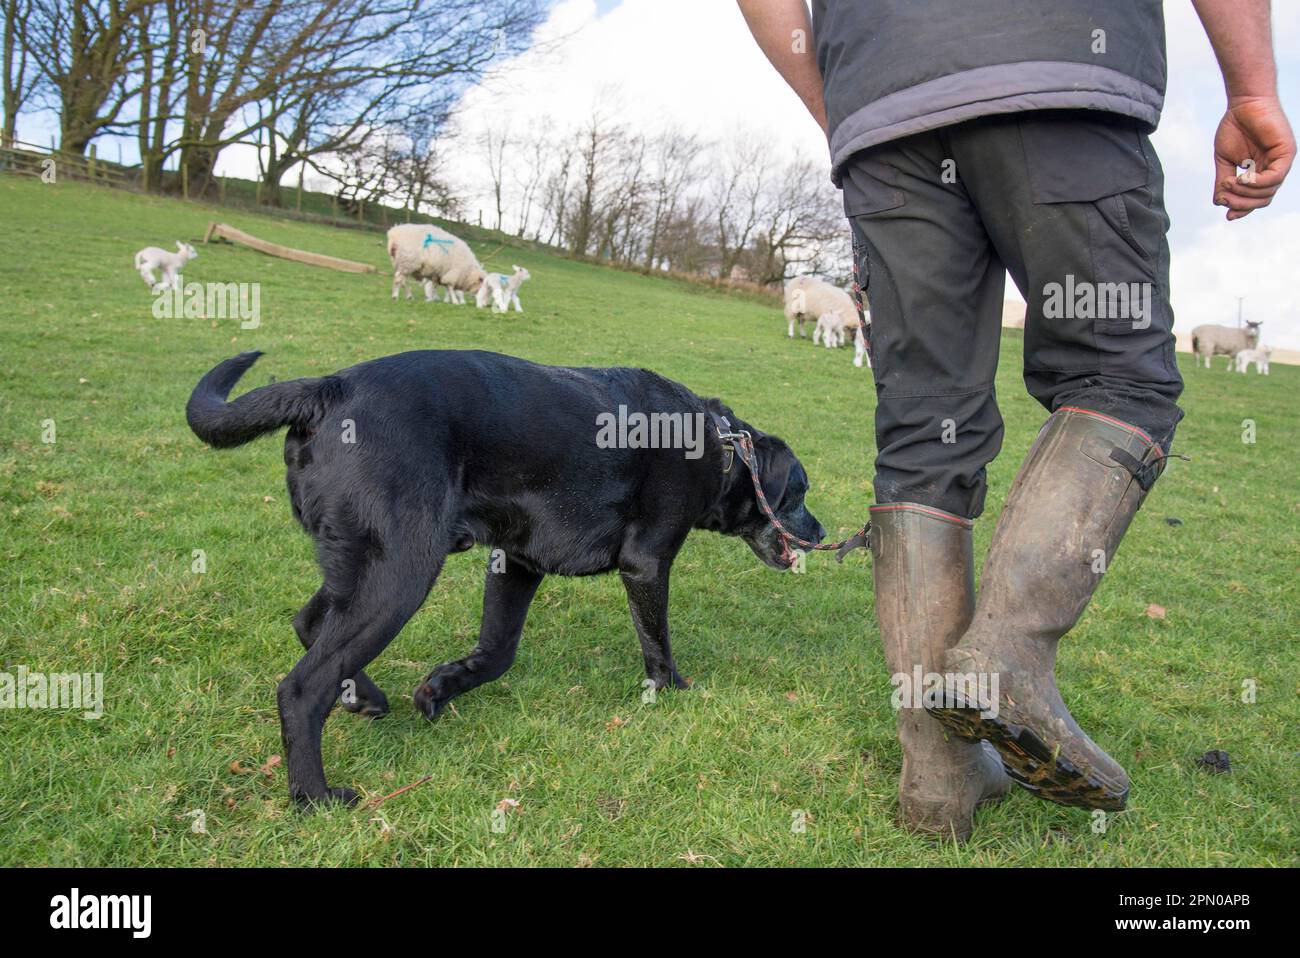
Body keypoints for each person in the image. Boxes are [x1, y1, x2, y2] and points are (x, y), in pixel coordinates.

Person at [738, 0, 1294, 840]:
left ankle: (938, 775)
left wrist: (846, 104)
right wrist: (1253, 89)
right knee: (1121, 377)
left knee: (923, 438)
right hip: (1058, 68)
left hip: (884, 111)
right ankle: (1007, 654)